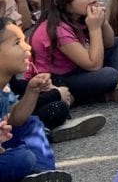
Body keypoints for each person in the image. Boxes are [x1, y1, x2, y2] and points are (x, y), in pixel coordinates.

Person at [28, 0, 118, 103]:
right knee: (109, 75)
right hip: (57, 80)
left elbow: (109, 43)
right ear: (59, 2)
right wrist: (94, 29)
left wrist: (102, 22)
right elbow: (93, 65)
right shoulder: (56, 29)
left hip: (77, 66)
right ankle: (114, 83)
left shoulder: (76, 15)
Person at [0, 17, 74, 182]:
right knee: (22, 159)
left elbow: (15, 119)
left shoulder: (4, 85)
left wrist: (32, 91)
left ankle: (42, 174)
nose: (27, 47)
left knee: (31, 123)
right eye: (17, 43)